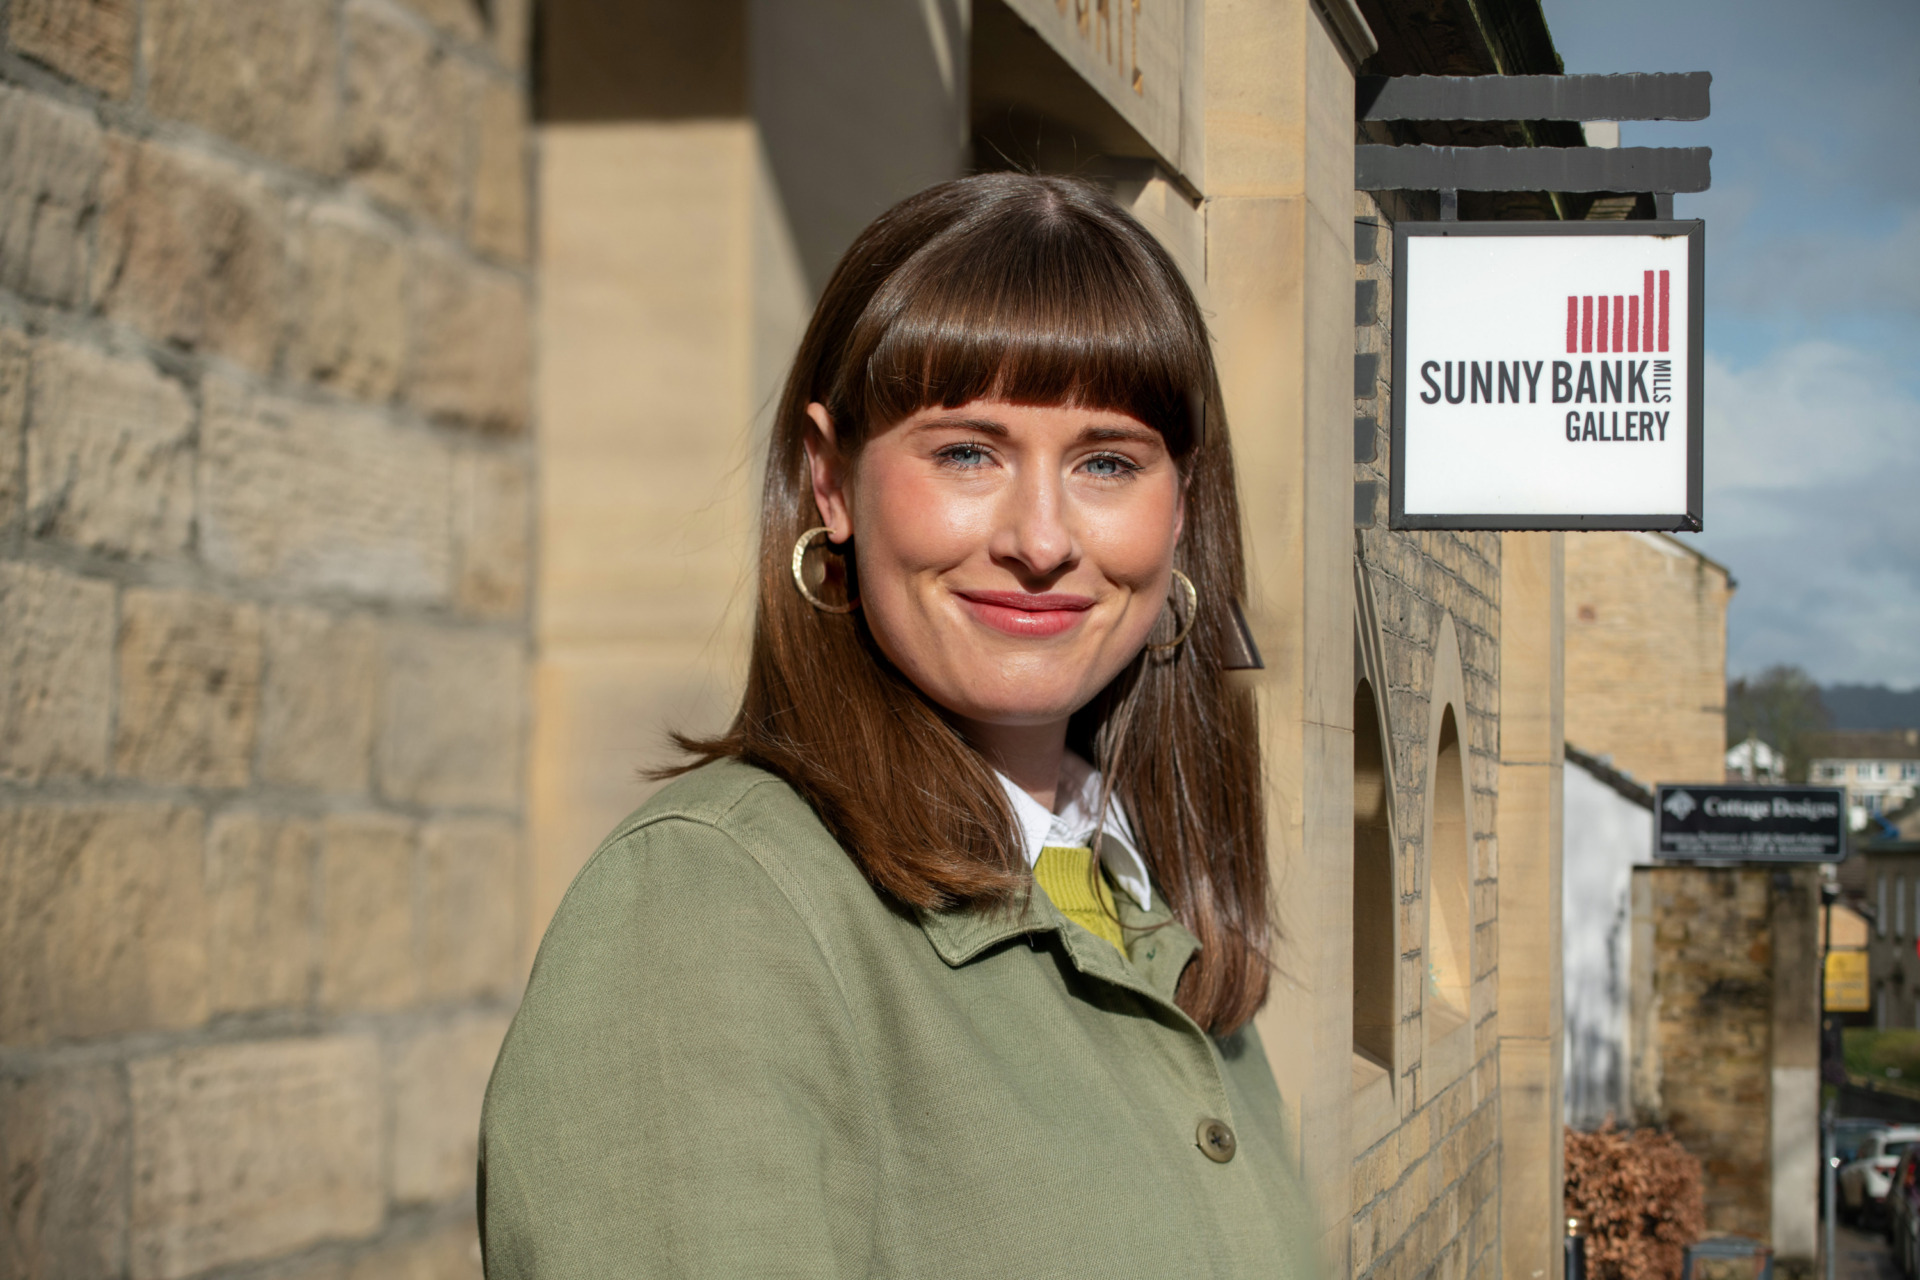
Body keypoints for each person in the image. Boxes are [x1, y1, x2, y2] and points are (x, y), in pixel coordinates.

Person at [479, 173, 1317, 1278]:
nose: (1041, 536)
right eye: (968, 451)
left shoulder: (1135, 881)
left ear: (1181, 506)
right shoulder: (712, 909)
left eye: (1107, 461)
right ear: (830, 480)